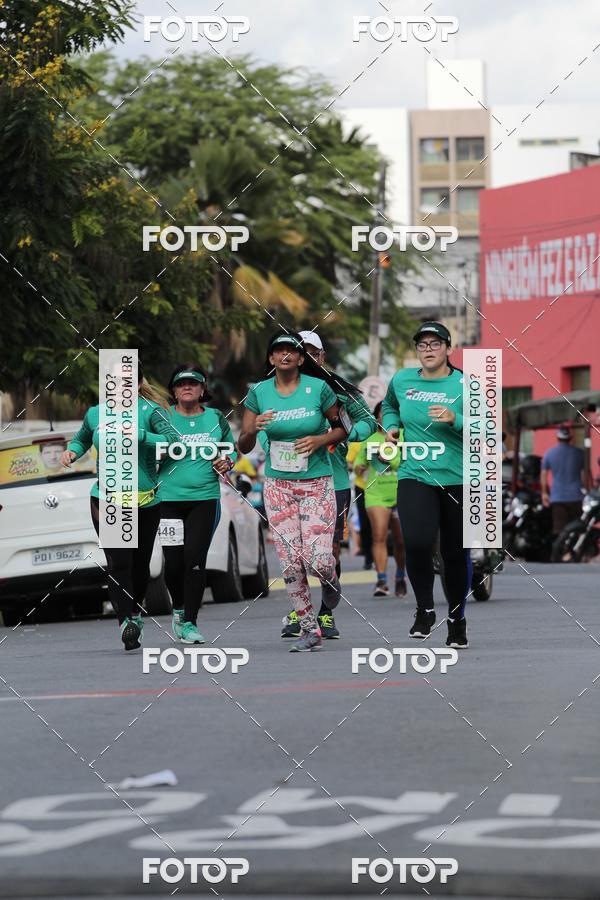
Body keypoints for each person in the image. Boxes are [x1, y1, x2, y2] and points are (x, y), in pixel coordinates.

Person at [238, 332, 357, 652]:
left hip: (317, 483)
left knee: (319, 560)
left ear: (302, 358)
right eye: (278, 351)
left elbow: (344, 427)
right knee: (290, 563)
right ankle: (308, 627)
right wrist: (253, 428)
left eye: (292, 351)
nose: (285, 355)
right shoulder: (259, 394)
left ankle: (330, 585)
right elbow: (244, 444)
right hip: (278, 486)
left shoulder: (319, 389)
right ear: (271, 359)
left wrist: (319, 441)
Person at [62, 362, 180, 651]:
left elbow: (175, 443)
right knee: (119, 562)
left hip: (146, 500)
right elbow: (82, 440)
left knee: (140, 566)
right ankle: (126, 621)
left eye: (128, 380)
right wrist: (72, 452)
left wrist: (143, 437)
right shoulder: (96, 413)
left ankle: (135, 611)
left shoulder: (150, 411)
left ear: (139, 383)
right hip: (108, 497)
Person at [279, 330, 375, 641]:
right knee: (297, 552)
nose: (305, 359)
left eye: (312, 353)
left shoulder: (338, 390)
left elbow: (367, 421)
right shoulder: (281, 388)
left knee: (328, 551)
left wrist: (345, 434)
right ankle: (302, 611)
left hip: (332, 481)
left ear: (321, 357)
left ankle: (325, 613)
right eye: (300, 352)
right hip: (291, 480)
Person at [382, 321, 470, 649]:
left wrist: (456, 419)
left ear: (448, 348)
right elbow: (389, 406)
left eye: (435, 344)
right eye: (422, 345)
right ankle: (425, 609)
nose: (428, 349)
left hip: (458, 477)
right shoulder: (402, 380)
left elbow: (488, 426)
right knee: (416, 543)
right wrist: (391, 426)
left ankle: (457, 619)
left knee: (455, 553)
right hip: (415, 473)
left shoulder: (465, 384)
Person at [158, 364, 237, 645]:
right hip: (167, 501)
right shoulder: (162, 417)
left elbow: (230, 449)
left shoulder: (216, 418)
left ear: (203, 389)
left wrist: (226, 462)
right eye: (181, 384)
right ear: (174, 391)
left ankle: (190, 622)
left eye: (193, 383)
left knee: (194, 560)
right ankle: (178, 608)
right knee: (174, 563)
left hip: (205, 499)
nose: (187, 387)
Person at [353, 401, 407, 598]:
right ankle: (382, 580)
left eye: (389, 413)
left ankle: (400, 576)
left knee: (402, 542)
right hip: (376, 494)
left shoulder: (404, 437)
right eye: (381, 414)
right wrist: (359, 467)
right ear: (376, 417)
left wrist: (388, 458)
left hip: (401, 493)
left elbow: (404, 462)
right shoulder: (369, 440)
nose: (385, 417)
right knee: (379, 536)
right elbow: (360, 462)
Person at [541, 426, 585, 535]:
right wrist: (586, 490)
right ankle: (576, 550)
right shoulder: (579, 453)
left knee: (560, 531)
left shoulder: (549, 453)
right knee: (577, 529)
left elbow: (543, 474)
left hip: (558, 497)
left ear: (557, 437)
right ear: (570, 438)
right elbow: (585, 474)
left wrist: (544, 493)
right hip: (576, 496)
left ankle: (564, 551)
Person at [347, 440, 374, 569]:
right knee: (364, 523)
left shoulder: (381, 440)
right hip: (361, 487)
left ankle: (377, 552)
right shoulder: (356, 443)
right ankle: (368, 556)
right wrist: (358, 467)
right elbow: (349, 463)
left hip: (379, 487)